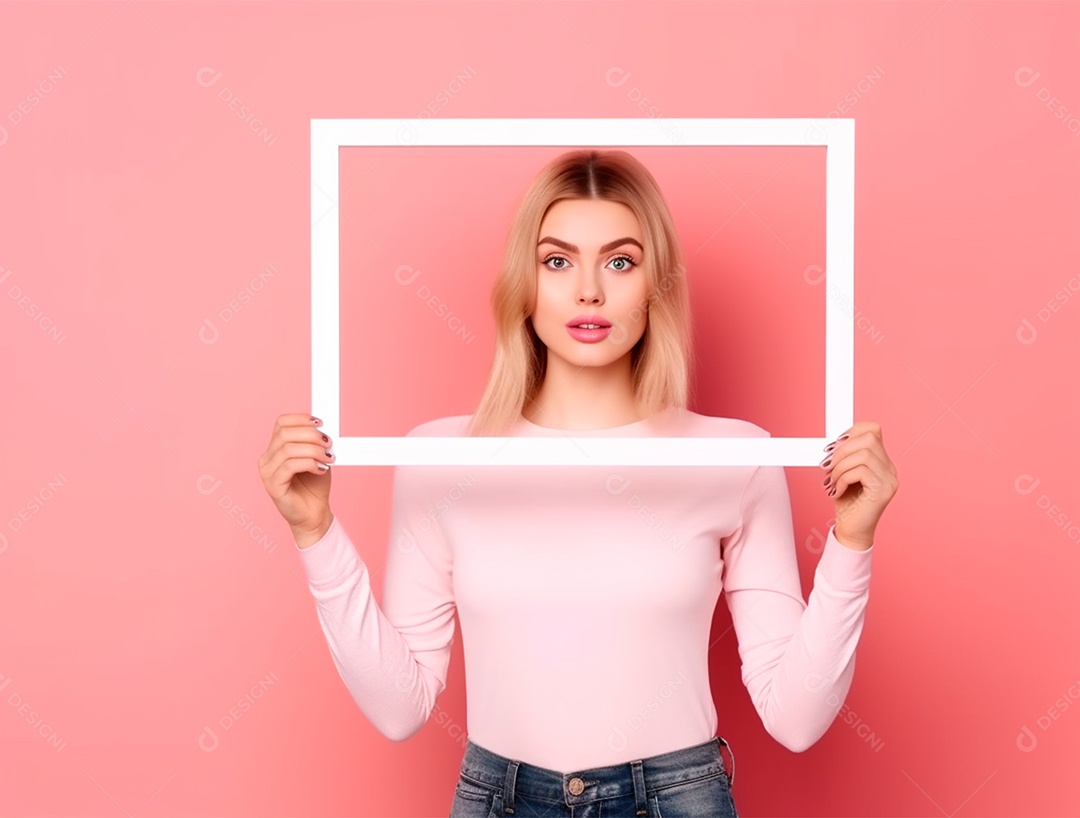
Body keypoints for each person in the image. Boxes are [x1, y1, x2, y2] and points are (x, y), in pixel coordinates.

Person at [257, 150, 899, 817]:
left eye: (620, 261)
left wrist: (852, 540)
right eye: (557, 261)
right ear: (523, 283)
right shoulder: (440, 456)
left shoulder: (735, 456)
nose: (589, 291)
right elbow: (400, 707)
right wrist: (315, 533)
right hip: (499, 798)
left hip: (675, 799)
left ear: (656, 285)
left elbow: (795, 719)